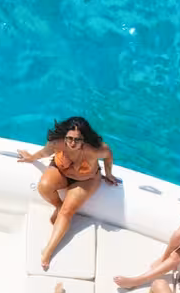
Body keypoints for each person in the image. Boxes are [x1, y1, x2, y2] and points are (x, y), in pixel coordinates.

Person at [16, 116, 118, 271]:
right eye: (69, 138)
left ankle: (48, 251)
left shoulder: (94, 150)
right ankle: (58, 205)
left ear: (84, 139)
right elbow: (45, 153)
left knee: (67, 212)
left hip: (86, 180)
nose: (72, 143)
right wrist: (31, 158)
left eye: (77, 139)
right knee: (44, 187)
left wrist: (109, 174)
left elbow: (108, 155)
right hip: (61, 172)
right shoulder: (57, 143)